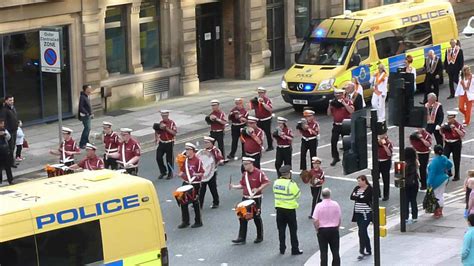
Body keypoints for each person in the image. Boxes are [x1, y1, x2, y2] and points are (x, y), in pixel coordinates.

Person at [230, 157, 270, 244]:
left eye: (245, 164)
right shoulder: (245, 174)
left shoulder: (259, 173)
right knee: (242, 217)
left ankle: (260, 236)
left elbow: (266, 182)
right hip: (245, 197)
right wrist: (234, 187)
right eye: (243, 164)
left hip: (255, 198)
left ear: (251, 164)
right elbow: (242, 185)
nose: (244, 166)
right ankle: (241, 237)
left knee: (256, 217)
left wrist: (258, 189)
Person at [272, 165, 303, 255]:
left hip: (279, 210)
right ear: (288, 174)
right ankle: (294, 249)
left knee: (281, 230)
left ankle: (282, 248)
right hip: (290, 210)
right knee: (293, 231)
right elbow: (298, 195)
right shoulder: (291, 184)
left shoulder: (276, 182)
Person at [178, 142, 205, 228]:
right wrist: (180, 174)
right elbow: (182, 171)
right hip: (186, 182)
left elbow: (202, 173)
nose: (186, 151)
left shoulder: (198, 161)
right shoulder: (185, 161)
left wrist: (196, 175)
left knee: (195, 202)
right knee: (183, 201)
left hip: (195, 183)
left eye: (188, 149)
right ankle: (185, 221)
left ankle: (198, 221)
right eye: (186, 149)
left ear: (193, 151)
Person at [313, 188, 341, 266]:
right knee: (335, 252)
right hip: (334, 230)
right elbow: (339, 218)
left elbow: (315, 220)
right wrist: (337, 227)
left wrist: (317, 229)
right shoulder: (335, 204)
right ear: (329, 195)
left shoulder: (319, 206)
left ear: (322, 195)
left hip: (322, 231)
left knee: (323, 252)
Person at [328, 88, 354, 166]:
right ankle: (335, 157)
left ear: (343, 95)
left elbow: (351, 111)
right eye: (337, 95)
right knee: (333, 142)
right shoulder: (334, 103)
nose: (338, 96)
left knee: (346, 143)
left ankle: (347, 159)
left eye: (340, 95)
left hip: (345, 125)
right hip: (336, 125)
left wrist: (344, 104)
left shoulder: (348, 101)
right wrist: (330, 105)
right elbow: (329, 114)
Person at [350, 175, 373, 261]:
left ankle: (362, 250)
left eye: (359, 181)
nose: (358, 183)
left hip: (366, 213)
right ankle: (368, 249)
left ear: (364, 181)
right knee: (363, 231)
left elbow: (366, 199)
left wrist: (358, 197)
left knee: (362, 231)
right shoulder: (356, 188)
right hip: (358, 213)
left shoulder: (369, 189)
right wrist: (360, 197)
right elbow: (351, 197)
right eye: (358, 181)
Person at [427, 145, 453, 218]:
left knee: (435, 196)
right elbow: (450, 164)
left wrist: (429, 183)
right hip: (444, 178)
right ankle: (440, 211)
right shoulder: (444, 158)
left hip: (436, 181)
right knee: (440, 195)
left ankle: (437, 212)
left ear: (434, 151)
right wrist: (445, 168)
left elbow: (432, 174)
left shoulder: (434, 161)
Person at [199, 136, 224, 209]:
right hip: (204, 173)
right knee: (202, 189)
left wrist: (220, 161)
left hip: (212, 172)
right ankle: (199, 204)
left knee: (212, 188)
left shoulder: (216, 151)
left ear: (211, 143)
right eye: (205, 142)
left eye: (207, 142)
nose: (205, 144)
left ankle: (216, 202)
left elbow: (220, 159)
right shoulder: (203, 151)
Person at [441, 111, 465, 181]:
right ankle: (449, 171)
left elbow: (462, 134)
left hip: (456, 143)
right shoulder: (446, 124)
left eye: (450, 118)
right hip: (448, 143)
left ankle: (457, 175)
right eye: (448, 118)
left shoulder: (458, 125)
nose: (449, 120)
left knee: (456, 159)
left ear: (454, 118)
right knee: (445, 157)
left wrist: (455, 129)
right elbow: (442, 132)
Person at [155, 110, 177, 179]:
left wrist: (166, 128)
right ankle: (163, 171)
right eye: (162, 116)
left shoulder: (171, 123)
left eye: (165, 116)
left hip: (169, 143)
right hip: (162, 142)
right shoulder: (160, 123)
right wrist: (156, 138)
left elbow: (174, 133)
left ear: (167, 116)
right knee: (158, 157)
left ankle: (170, 173)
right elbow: (157, 131)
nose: (163, 117)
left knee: (169, 159)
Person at [251, 87, 273, 151]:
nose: (260, 94)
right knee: (257, 133)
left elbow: (270, 109)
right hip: (258, 119)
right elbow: (251, 108)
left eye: (261, 93)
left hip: (266, 119)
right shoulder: (256, 100)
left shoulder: (267, 100)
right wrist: (253, 102)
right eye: (259, 93)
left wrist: (263, 103)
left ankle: (270, 146)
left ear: (264, 93)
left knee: (267, 133)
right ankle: (258, 146)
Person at [0, 95, 18, 168]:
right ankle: (10, 163)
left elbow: (14, 117)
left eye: (12, 100)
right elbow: (2, 121)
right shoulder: (4, 110)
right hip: (9, 131)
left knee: (13, 147)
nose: (12, 101)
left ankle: (10, 162)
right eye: (10, 100)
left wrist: (18, 122)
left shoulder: (12, 108)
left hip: (14, 129)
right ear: (6, 101)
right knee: (10, 148)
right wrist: (4, 130)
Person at [403, 147, 419, 224]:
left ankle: (405, 217)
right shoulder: (415, 162)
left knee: (405, 200)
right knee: (413, 200)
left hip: (406, 183)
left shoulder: (404, 163)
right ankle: (414, 216)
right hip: (414, 183)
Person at [377, 132, 393, 201]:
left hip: (385, 162)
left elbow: (389, 154)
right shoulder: (376, 142)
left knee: (386, 179)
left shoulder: (388, 143)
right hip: (377, 161)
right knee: (375, 177)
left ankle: (386, 195)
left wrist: (384, 145)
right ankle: (377, 192)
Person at [78, 85, 93, 149]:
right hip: (85, 116)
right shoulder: (82, 97)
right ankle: (82, 143)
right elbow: (81, 107)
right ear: (86, 89)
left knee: (88, 128)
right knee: (87, 128)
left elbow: (88, 106)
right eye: (89, 88)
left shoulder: (87, 96)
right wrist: (87, 113)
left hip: (88, 115)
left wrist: (91, 113)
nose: (90, 89)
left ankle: (86, 141)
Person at [0, 119, 13, 185]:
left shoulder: (4, 130)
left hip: (5, 149)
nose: (3, 125)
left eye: (3, 124)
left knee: (8, 166)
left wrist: (5, 134)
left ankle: (10, 180)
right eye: (2, 124)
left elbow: (9, 137)